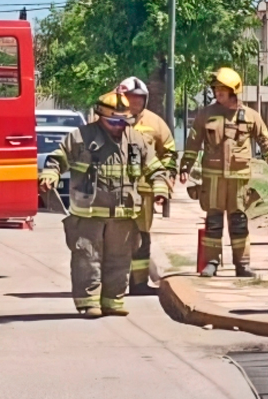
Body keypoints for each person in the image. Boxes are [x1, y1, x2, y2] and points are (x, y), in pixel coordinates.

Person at [39, 91, 170, 318]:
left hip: (123, 214)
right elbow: (58, 158)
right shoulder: (81, 137)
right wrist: (51, 174)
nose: (119, 125)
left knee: (119, 260)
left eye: (124, 120)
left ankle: (113, 301)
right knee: (87, 258)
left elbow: (156, 168)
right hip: (88, 213)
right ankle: (89, 303)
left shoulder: (136, 141)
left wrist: (160, 190)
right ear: (100, 116)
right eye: (114, 121)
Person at [178, 67, 268, 278]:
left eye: (223, 89)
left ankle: (242, 264)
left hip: (239, 180)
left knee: (238, 222)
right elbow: (193, 143)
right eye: (216, 89)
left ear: (234, 91)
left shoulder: (251, 116)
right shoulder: (206, 114)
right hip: (213, 179)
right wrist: (185, 167)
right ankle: (211, 262)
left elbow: (266, 142)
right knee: (214, 221)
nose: (218, 93)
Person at [116, 76, 178, 295]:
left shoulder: (155, 123)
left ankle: (139, 283)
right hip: (114, 191)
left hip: (144, 192)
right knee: (113, 237)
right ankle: (111, 283)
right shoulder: (109, 119)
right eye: (132, 97)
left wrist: (167, 177)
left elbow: (169, 151)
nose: (136, 102)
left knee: (141, 236)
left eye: (140, 98)